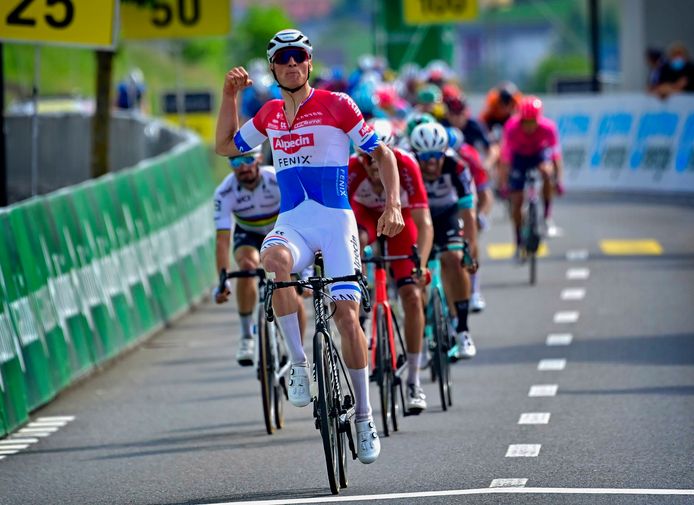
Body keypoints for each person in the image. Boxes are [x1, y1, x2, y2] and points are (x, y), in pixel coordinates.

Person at [214, 29, 405, 465]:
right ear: (273, 67)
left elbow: (383, 155)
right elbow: (225, 146)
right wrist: (228, 96)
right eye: (283, 58)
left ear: (309, 63)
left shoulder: (338, 105)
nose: (291, 64)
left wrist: (392, 205)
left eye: (298, 56)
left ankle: (364, 416)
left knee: (346, 316)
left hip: (336, 223)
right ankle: (299, 365)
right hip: (294, 222)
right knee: (273, 260)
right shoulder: (269, 114)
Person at [348, 119, 434, 414]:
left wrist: (420, 266)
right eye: (367, 157)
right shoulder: (352, 169)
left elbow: (424, 223)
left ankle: (413, 380)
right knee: (356, 238)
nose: (374, 164)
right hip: (366, 218)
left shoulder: (407, 165)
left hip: (401, 221)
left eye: (379, 156)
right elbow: (341, 222)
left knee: (411, 295)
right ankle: (359, 304)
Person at [213, 147, 307, 366]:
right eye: (235, 162)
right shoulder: (224, 192)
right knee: (247, 265)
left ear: (259, 159)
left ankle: (297, 354)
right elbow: (222, 241)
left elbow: (301, 217)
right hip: (249, 234)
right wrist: (223, 280)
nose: (243, 167)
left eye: (247, 160)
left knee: (292, 292)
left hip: (280, 231)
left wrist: (306, 271)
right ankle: (247, 337)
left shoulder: (276, 179)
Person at [409, 122, 479, 360]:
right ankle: (423, 334)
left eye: (436, 156)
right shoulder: (408, 166)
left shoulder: (457, 166)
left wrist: (469, 251)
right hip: (419, 216)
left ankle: (463, 330)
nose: (431, 163)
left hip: (448, 214)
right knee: (415, 273)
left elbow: (469, 215)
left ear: (444, 153)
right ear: (416, 155)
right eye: (425, 157)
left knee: (454, 259)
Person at [498, 96, 564, 258]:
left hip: (538, 154)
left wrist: (558, 181)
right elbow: (505, 160)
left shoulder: (548, 128)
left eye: (532, 121)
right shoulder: (511, 127)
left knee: (547, 172)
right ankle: (518, 240)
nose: (528, 126)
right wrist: (504, 184)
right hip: (519, 157)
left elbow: (556, 157)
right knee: (517, 201)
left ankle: (547, 216)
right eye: (525, 122)